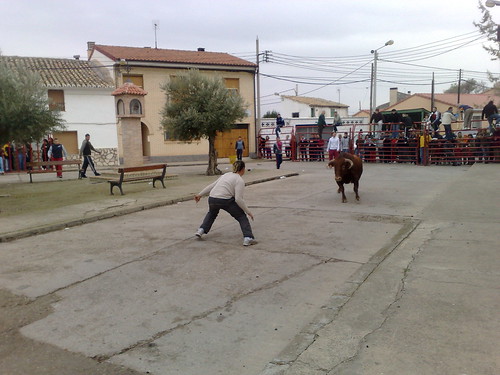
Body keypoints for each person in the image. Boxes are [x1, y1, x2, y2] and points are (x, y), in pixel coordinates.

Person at [194, 160, 256, 246]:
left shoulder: (226, 175)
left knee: (212, 213)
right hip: (225, 200)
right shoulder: (239, 180)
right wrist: (248, 211)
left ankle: (201, 230)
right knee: (241, 216)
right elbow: (238, 199)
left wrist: (200, 194)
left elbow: (212, 185)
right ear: (242, 169)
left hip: (212, 198)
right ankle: (248, 237)